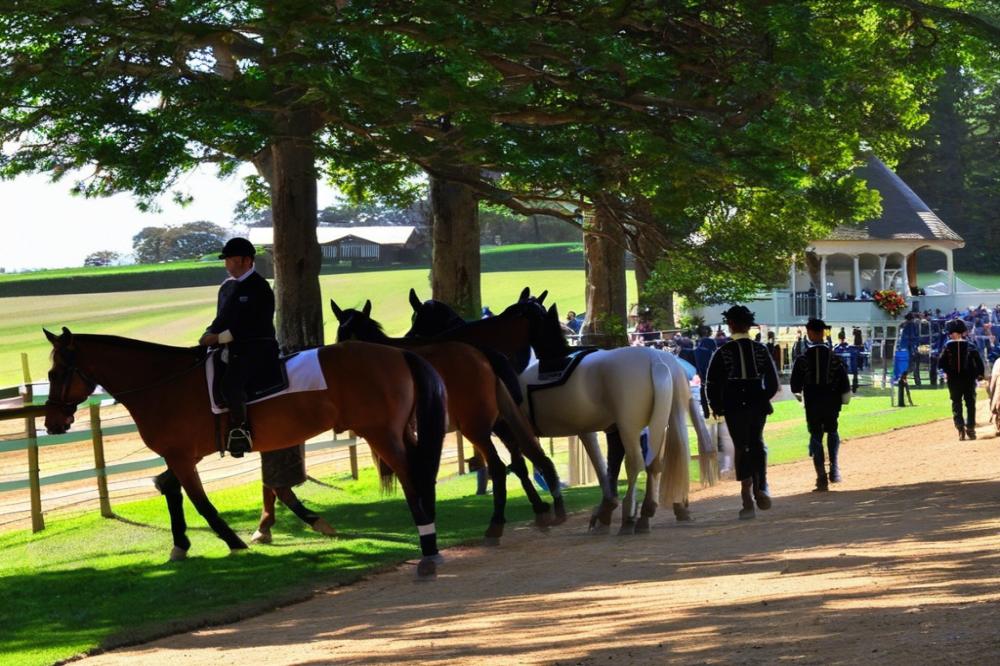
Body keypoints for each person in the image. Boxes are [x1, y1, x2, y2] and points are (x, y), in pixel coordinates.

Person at [199, 237, 280, 457]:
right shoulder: (231, 288)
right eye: (226, 261)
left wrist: (219, 338)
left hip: (258, 346)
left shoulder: (259, 287)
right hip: (234, 347)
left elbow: (255, 324)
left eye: (231, 260)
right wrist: (208, 333)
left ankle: (240, 431)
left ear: (246, 261)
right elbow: (222, 318)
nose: (227, 265)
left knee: (231, 384)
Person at [705, 305, 780, 520]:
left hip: (734, 405)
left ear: (731, 325)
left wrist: (717, 406)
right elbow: (773, 383)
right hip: (757, 404)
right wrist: (761, 398)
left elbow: (712, 384)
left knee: (741, 446)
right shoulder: (761, 349)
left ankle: (747, 496)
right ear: (749, 325)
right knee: (757, 442)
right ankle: (762, 485)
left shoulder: (723, 352)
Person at [790, 319, 852, 491]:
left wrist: (801, 393)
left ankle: (821, 477)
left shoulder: (803, 358)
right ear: (823, 333)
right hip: (832, 401)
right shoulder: (835, 358)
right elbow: (844, 383)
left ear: (809, 333)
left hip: (813, 402)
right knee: (832, 431)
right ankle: (834, 467)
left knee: (816, 435)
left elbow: (795, 386)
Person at [938, 318, 985, 441]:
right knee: (970, 403)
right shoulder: (970, 345)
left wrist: (946, 372)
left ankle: (960, 428)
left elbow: (940, 363)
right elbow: (979, 362)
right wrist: (980, 375)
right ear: (962, 332)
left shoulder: (947, 346)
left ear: (952, 333)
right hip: (969, 379)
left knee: (956, 403)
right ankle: (970, 427)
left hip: (953, 380)